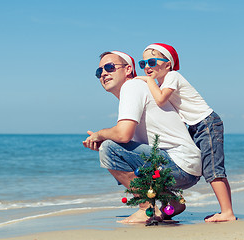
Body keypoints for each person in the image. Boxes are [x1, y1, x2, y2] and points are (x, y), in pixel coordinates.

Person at [83, 50, 201, 223]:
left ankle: (147, 209)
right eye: (99, 72)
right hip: (186, 167)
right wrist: (103, 139)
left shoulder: (132, 87)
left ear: (128, 69)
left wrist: (100, 134)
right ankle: (172, 202)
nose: (104, 74)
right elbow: (128, 143)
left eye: (109, 67)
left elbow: (123, 134)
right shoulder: (138, 89)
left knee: (109, 149)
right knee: (110, 146)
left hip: (178, 164)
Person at [135, 43, 236, 222]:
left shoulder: (172, 76)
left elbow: (160, 100)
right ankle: (225, 209)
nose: (147, 67)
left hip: (206, 123)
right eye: (143, 64)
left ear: (168, 64)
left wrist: (148, 81)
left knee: (213, 169)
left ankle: (227, 212)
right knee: (209, 168)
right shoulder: (162, 82)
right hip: (196, 127)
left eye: (151, 61)